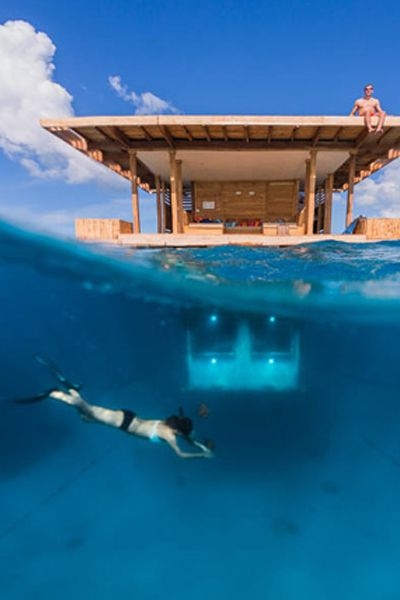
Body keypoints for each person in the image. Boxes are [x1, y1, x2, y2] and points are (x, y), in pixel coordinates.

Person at [14, 357, 213, 460]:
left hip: (128, 417)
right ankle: (56, 394)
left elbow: (189, 437)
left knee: (87, 416)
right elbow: (181, 455)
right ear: (178, 431)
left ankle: (73, 390)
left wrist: (201, 445)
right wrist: (202, 455)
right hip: (123, 423)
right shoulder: (170, 436)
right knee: (88, 410)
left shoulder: (170, 423)